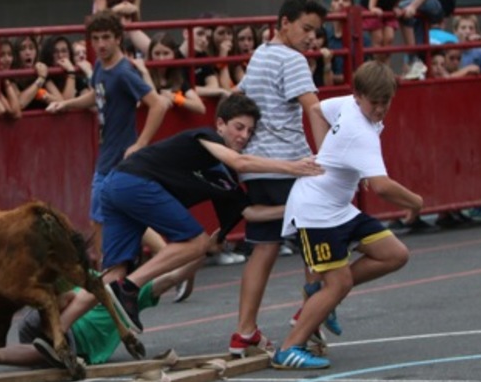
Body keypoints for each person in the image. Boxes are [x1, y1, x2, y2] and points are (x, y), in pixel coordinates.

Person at [96, 93, 323, 332]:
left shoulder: (224, 176)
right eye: (239, 127)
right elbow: (241, 162)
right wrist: (293, 167)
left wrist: (298, 208)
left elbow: (251, 213)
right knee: (196, 242)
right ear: (220, 124)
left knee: (114, 272)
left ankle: (71, 322)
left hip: (115, 187)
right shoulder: (207, 137)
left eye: (249, 131)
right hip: (130, 181)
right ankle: (129, 287)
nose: (244, 136)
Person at [273, 61, 423, 369]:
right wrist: (416, 202)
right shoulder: (360, 132)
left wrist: (326, 156)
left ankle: (320, 298)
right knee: (338, 284)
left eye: (385, 102)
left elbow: (316, 110)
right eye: (374, 103)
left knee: (394, 254)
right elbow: (381, 186)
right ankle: (288, 349)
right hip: (316, 212)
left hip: (339, 208)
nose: (379, 109)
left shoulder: (349, 104)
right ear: (358, 96)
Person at [231, 0, 329, 356]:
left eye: (316, 32)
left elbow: (236, 96)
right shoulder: (293, 60)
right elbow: (314, 110)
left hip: (258, 168)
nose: (311, 38)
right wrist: (326, 159)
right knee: (317, 241)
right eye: (306, 28)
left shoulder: (260, 54)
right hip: (289, 164)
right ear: (284, 23)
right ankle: (309, 318)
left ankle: (244, 331)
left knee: (264, 248)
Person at [46, 11, 167, 264]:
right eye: (96, 38)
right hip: (108, 153)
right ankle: (167, 256)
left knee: (98, 220)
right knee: (122, 215)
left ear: (118, 38)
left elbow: (158, 104)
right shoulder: (101, 66)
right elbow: (97, 95)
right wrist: (67, 104)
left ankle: (109, 271)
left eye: (106, 38)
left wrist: (140, 143)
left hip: (117, 157)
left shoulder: (123, 72)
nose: (100, 44)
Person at [0, 262, 204, 379]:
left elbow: (172, 277)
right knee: (63, 302)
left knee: (40, 352)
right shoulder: (90, 276)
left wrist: (202, 249)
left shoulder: (136, 290)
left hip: (65, 340)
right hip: (55, 325)